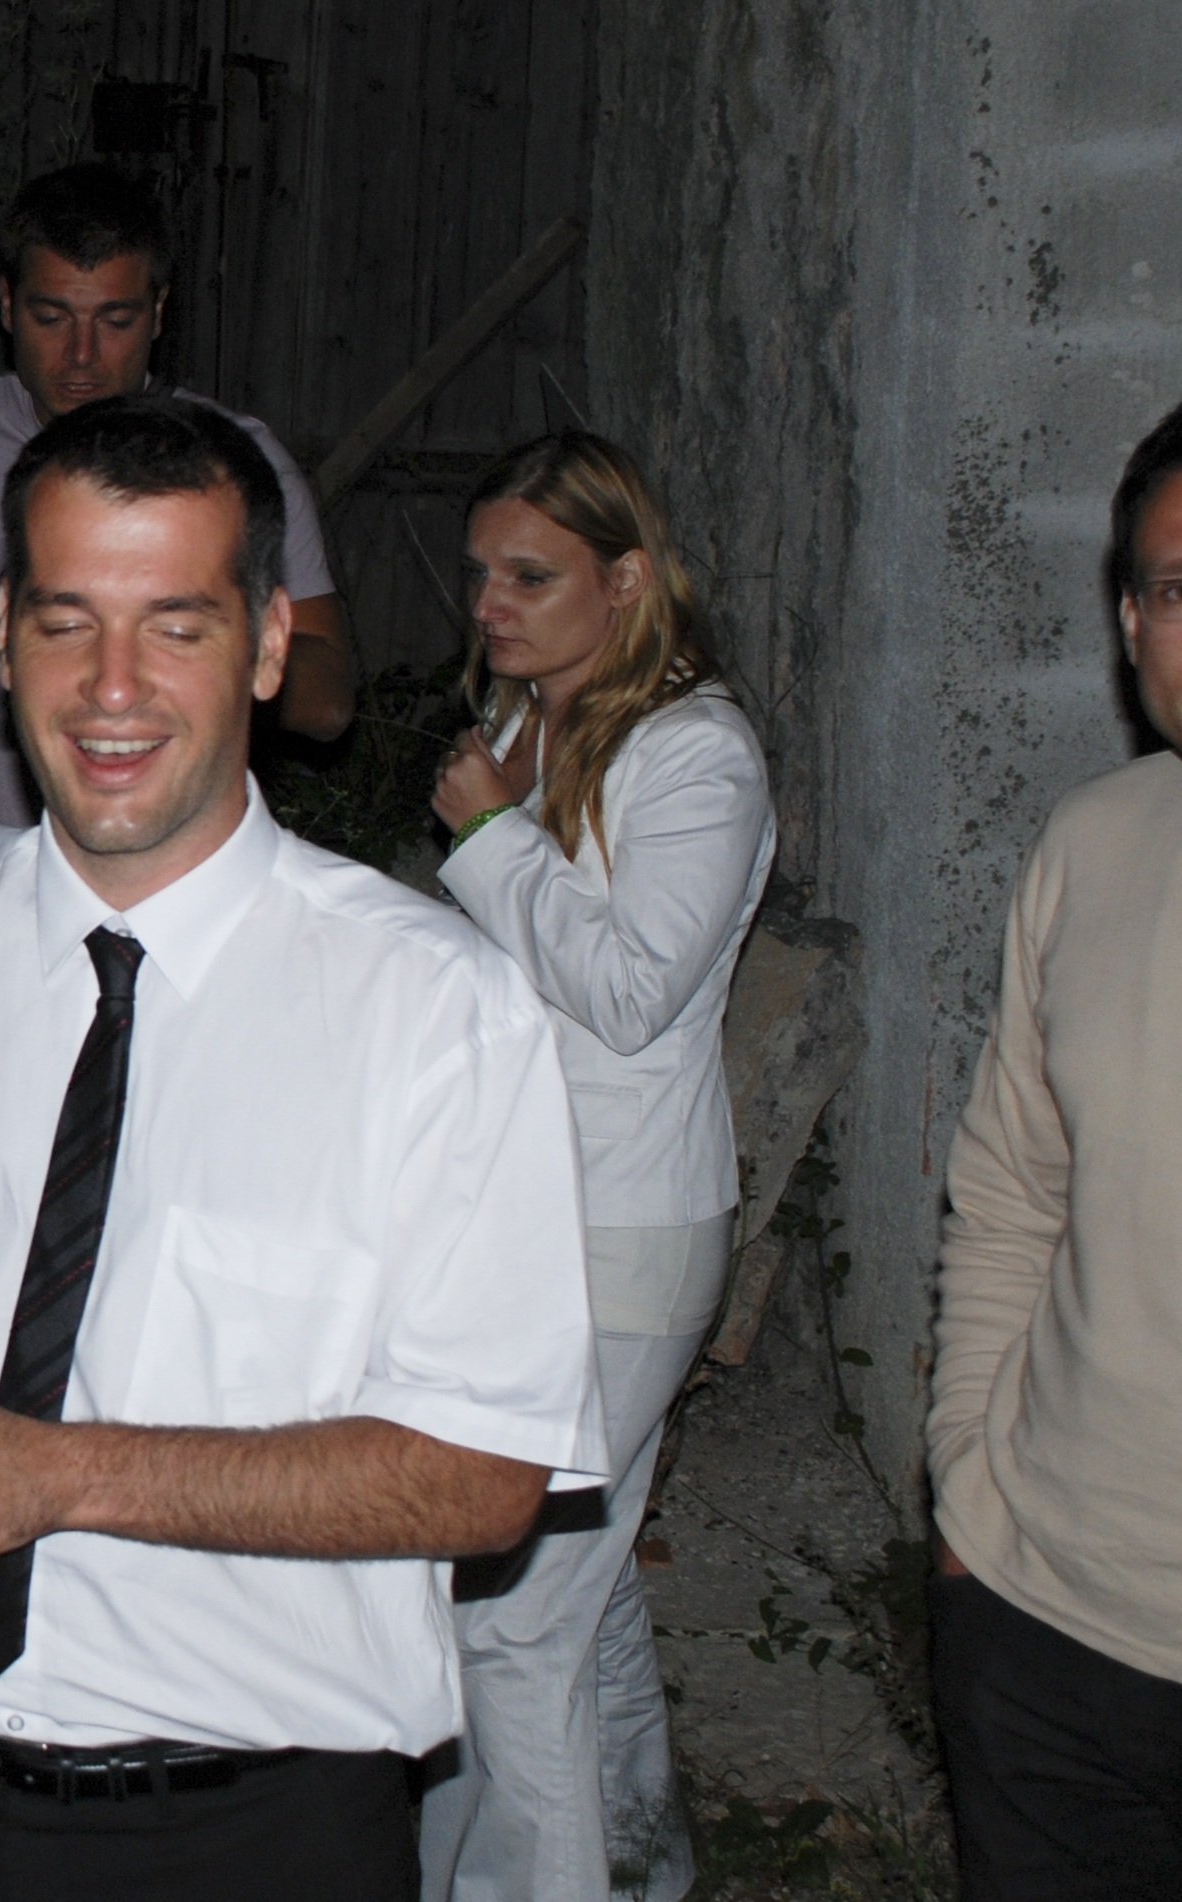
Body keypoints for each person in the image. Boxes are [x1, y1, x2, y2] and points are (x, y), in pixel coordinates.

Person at [0, 393, 607, 1902]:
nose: (111, 687)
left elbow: (485, 1470)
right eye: (63, 623)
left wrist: (52, 1476)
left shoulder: (434, 1011)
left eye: (176, 625)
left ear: (269, 643)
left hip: (245, 1823)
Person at [929, 382, 1182, 1901]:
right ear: (1127, 621)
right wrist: (965, 1503)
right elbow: (1010, 1194)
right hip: (1035, 1631)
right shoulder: (1092, 841)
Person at [415, 433, 774, 1902]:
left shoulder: (696, 752)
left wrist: (487, 832)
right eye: (481, 575)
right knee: (579, 1581)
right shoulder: (526, 717)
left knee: (509, 1618)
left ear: (624, 580)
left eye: (529, 576)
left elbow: (630, 991)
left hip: (622, 1228)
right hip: (527, 1212)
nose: (489, 605)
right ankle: (636, 1856)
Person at [0, 163, 355, 842]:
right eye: (51, 318)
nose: (82, 355)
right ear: (7, 304)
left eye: (116, 320)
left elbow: (329, 699)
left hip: (166, 865)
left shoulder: (236, 466)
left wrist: (196, 643)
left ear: (158, 314)